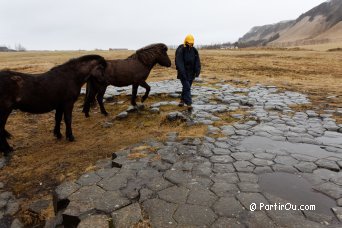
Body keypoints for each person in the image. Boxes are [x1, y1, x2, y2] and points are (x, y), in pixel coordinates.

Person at [175, 34, 201, 111]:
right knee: (187, 87)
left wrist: (197, 70)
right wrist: (183, 73)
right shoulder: (181, 50)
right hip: (183, 73)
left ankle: (182, 101)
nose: (190, 44)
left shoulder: (194, 50)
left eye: (191, 43)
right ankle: (189, 104)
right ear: (186, 42)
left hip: (191, 73)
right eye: (189, 42)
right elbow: (179, 62)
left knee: (186, 87)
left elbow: (197, 61)